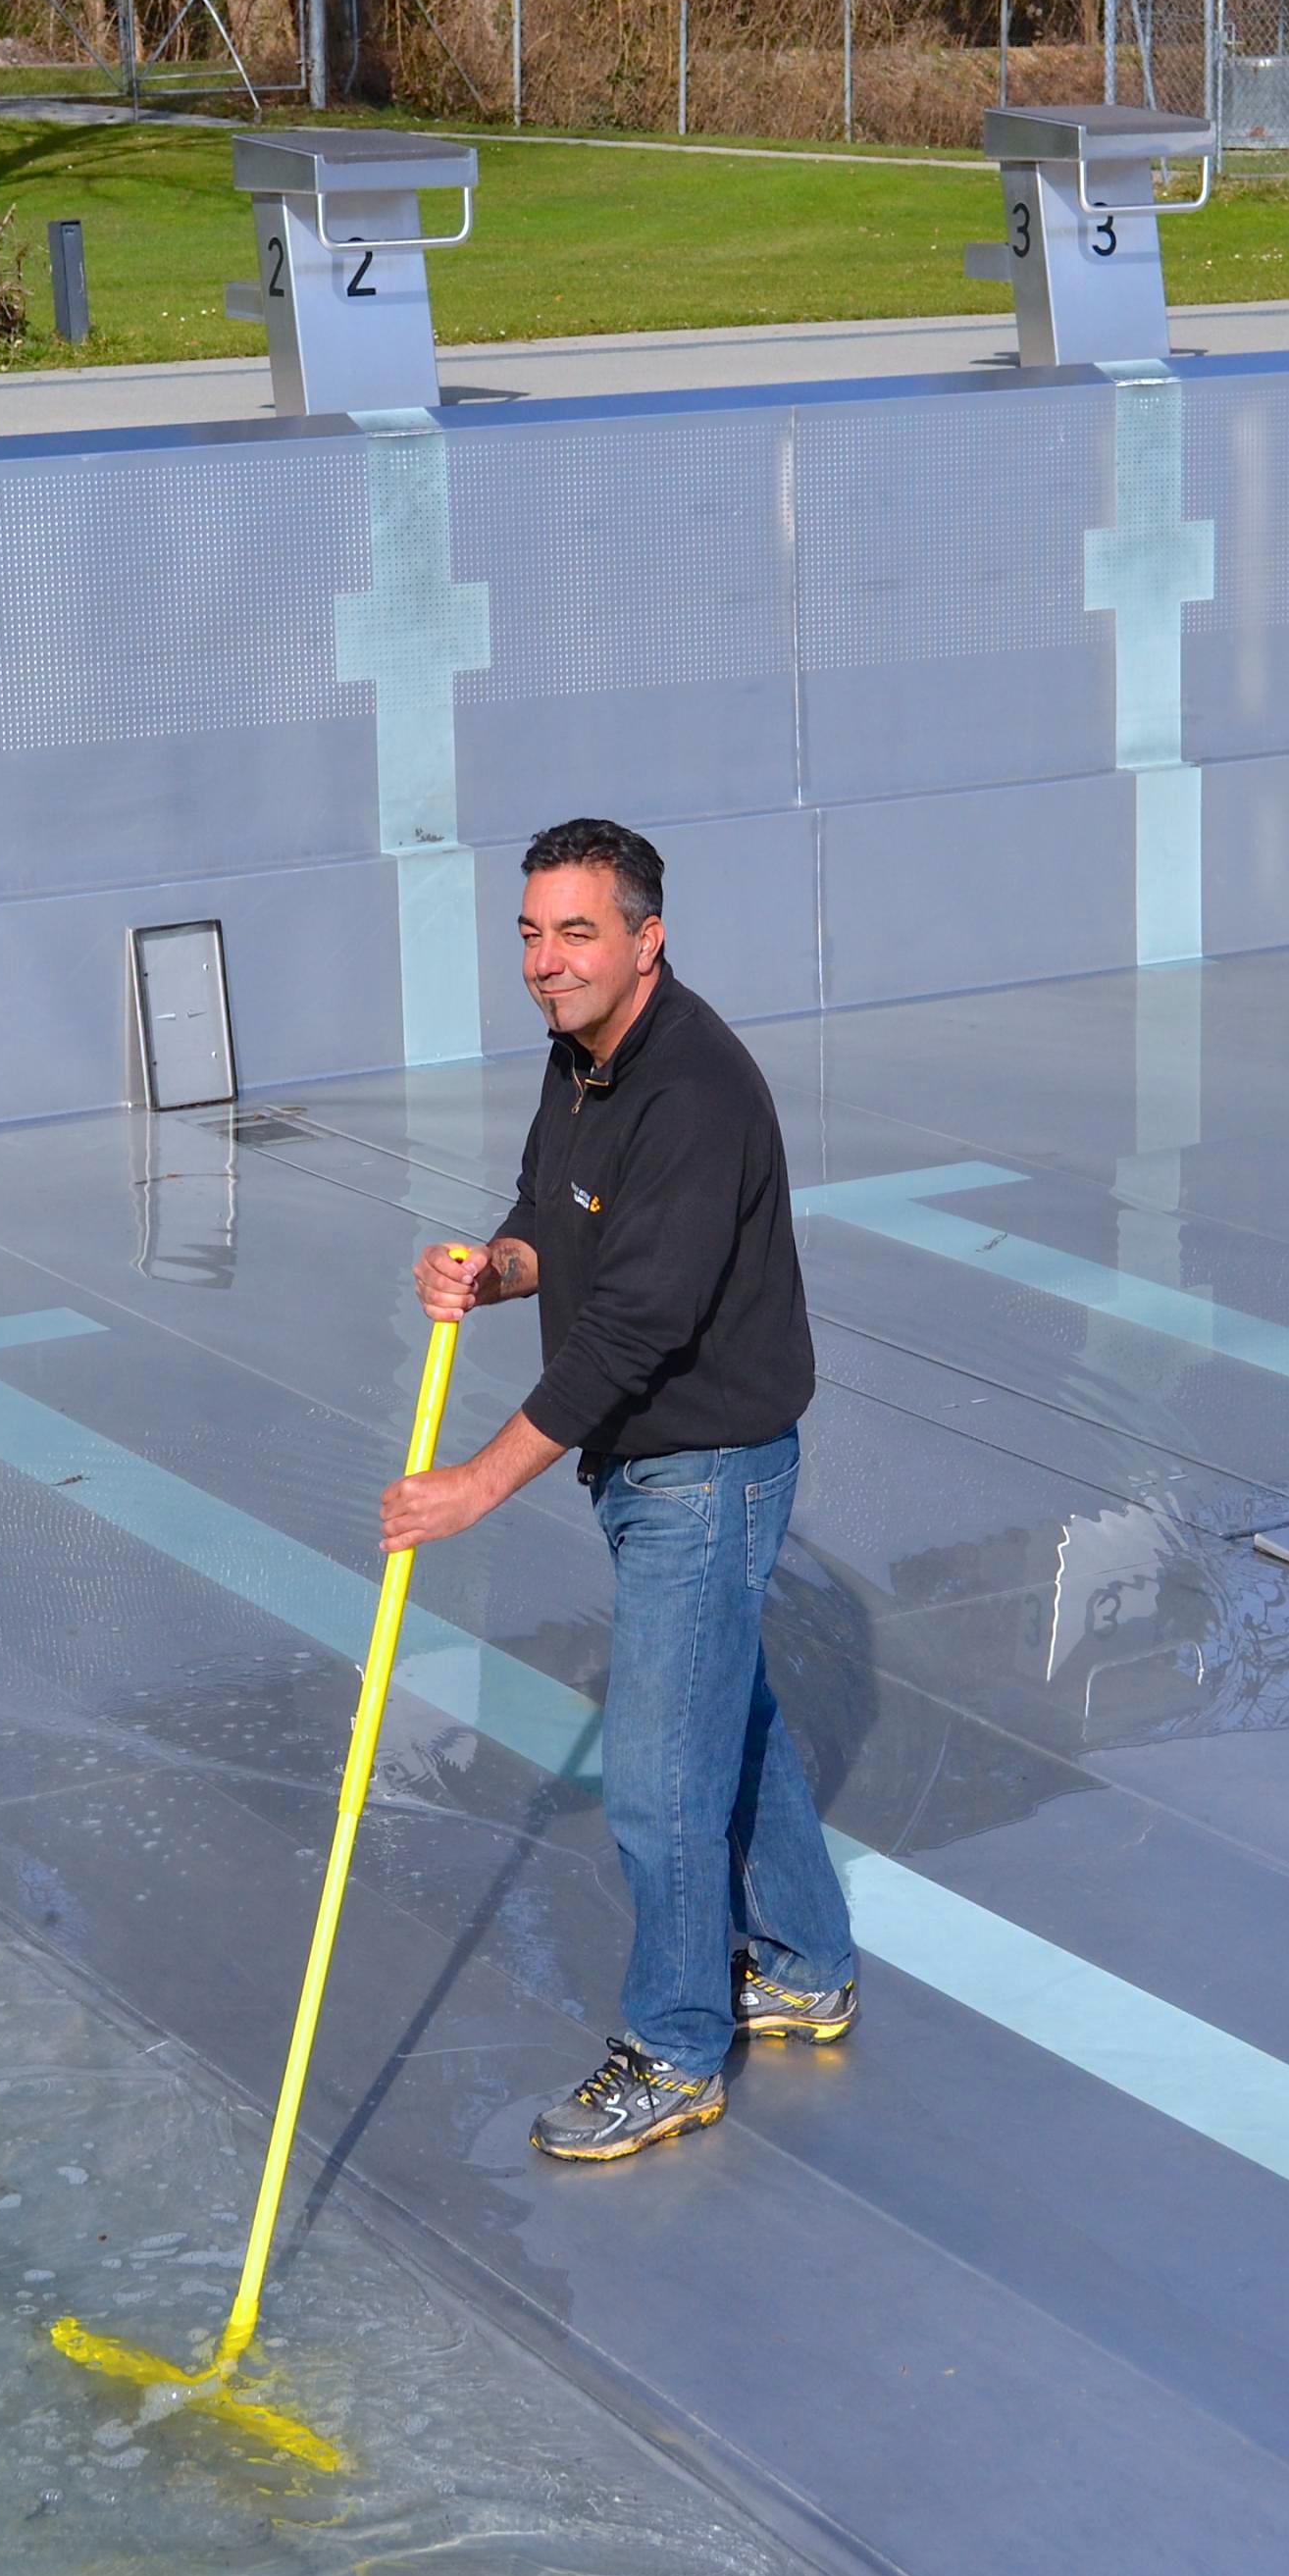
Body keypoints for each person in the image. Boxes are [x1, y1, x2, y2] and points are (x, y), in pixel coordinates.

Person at [380, 818, 858, 2163]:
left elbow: (633, 1333)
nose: (547, 961)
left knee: (655, 1783)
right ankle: (807, 1966)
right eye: (532, 934)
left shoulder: (693, 1093)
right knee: (727, 1717)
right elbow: (554, 1216)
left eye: (577, 932)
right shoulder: (582, 1060)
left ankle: (675, 2050)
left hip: (704, 1473)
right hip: (652, 1467)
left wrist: (474, 1486)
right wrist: (494, 1268)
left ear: (647, 939)